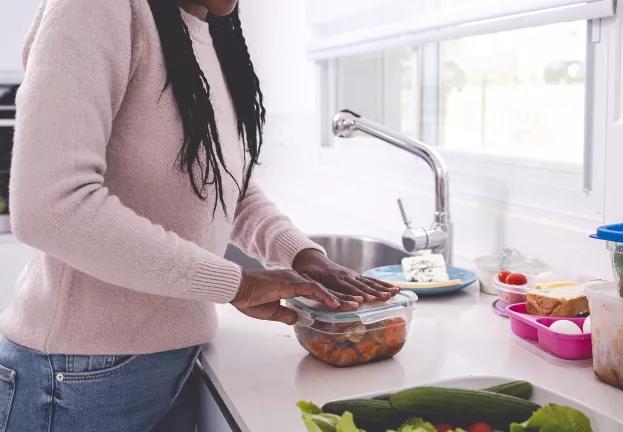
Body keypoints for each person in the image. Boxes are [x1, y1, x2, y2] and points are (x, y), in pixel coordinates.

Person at [0, 0, 396, 430]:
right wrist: (236, 284)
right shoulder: (96, 8)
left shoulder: (205, 31)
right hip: (80, 377)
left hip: (176, 358)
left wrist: (301, 254)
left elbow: (224, 185)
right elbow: (51, 207)